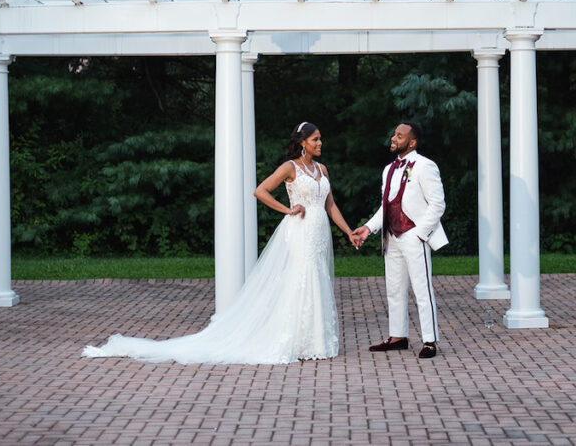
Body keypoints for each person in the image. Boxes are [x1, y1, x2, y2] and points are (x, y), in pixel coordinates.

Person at [82, 122, 360, 364]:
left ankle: (315, 342)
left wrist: (348, 231)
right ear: (302, 143)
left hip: (320, 232)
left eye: (320, 139)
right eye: (315, 139)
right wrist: (287, 210)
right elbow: (259, 191)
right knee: (301, 280)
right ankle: (295, 341)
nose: (320, 143)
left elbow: (330, 205)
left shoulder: (322, 169)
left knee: (317, 278)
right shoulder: (290, 168)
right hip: (299, 231)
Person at [351, 121, 448, 359]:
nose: (394, 138)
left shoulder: (425, 166)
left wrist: (419, 234)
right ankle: (398, 337)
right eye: (394, 134)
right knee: (394, 289)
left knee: (422, 289)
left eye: (400, 135)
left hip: (414, 236)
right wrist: (368, 228)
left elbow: (437, 204)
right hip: (391, 237)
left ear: (412, 142)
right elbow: (387, 205)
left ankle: (429, 341)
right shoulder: (388, 169)